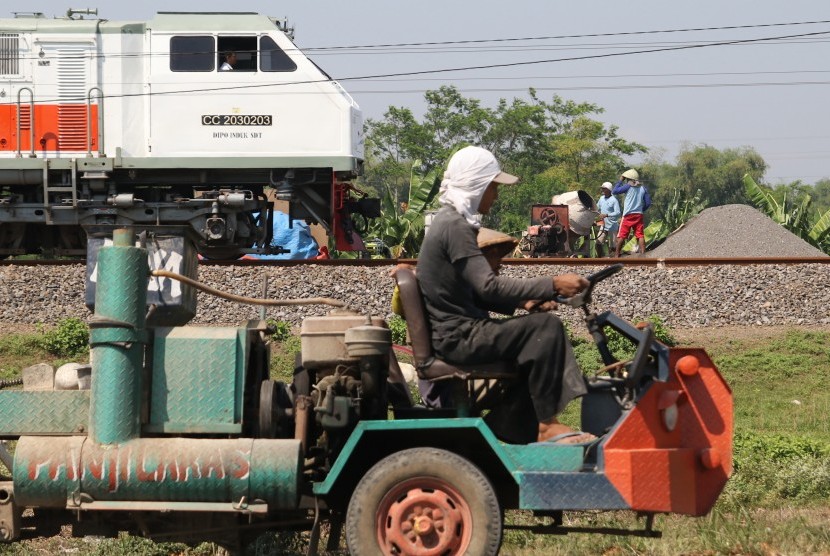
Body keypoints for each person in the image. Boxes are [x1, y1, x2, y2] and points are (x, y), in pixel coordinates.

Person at [416, 145, 594, 445]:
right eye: (493, 187)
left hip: (456, 332)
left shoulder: (450, 222)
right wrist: (552, 283)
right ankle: (546, 424)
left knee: (533, 338)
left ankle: (506, 427)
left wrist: (523, 301)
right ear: (477, 185)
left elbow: (470, 289)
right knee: (545, 328)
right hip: (459, 336)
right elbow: (487, 286)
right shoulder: (455, 227)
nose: (496, 195)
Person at [613, 168, 651, 258]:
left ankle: (616, 254)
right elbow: (648, 203)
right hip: (639, 214)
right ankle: (643, 253)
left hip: (627, 215)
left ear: (629, 179)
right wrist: (642, 210)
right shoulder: (643, 188)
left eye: (626, 179)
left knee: (622, 235)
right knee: (640, 234)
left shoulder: (628, 186)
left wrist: (620, 180)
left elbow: (614, 191)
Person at [595, 181, 621, 257]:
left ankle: (613, 260)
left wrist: (607, 215)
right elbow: (597, 208)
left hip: (612, 226)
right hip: (603, 225)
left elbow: (618, 212)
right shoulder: (601, 198)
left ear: (609, 190)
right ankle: (601, 259)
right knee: (598, 242)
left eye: (604, 189)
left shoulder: (614, 200)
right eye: (602, 189)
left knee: (613, 246)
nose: (602, 190)